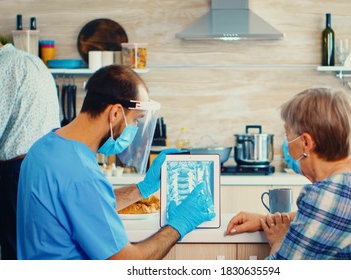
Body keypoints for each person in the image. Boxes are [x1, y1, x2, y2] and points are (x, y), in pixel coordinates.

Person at [17, 64, 215, 260]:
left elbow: (85, 204)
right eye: (136, 119)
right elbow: (127, 264)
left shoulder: (43, 148)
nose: (135, 127)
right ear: (115, 114)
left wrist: (142, 188)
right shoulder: (81, 174)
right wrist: (180, 224)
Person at [226, 88, 351, 260]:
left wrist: (279, 239)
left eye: (287, 135)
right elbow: (333, 217)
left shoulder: (332, 193)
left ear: (306, 142)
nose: (287, 144)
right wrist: (267, 220)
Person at [0, 19, 60, 259]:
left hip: (17, 176)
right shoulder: (31, 61)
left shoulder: (0, 71)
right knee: (35, 254)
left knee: (14, 255)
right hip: (43, 171)